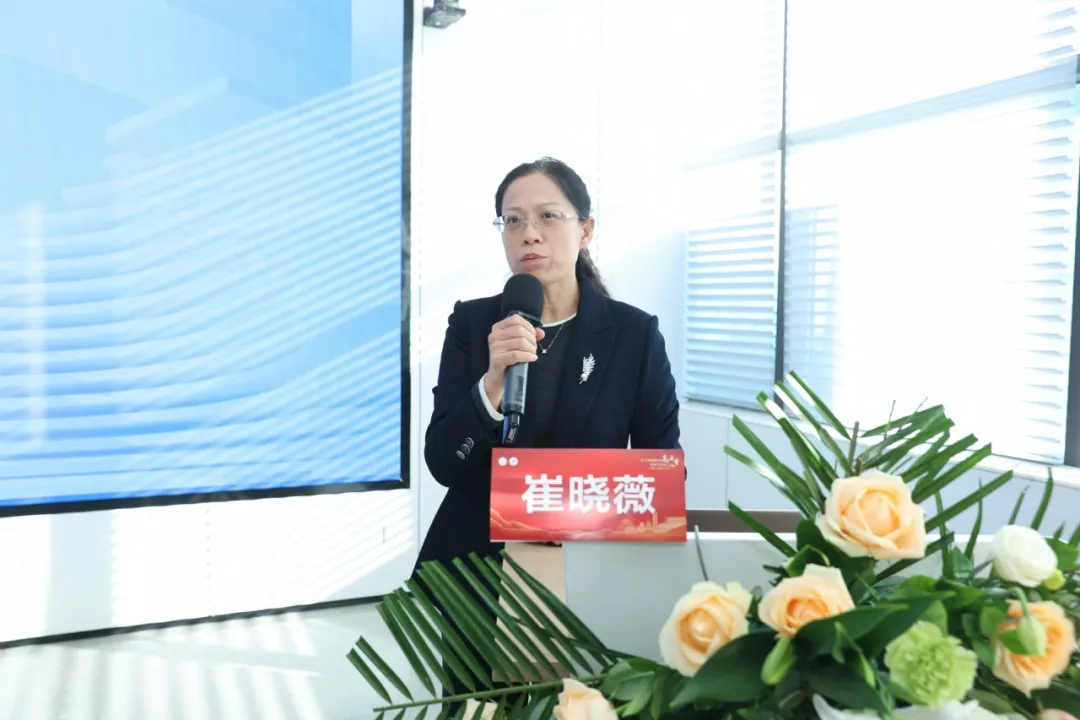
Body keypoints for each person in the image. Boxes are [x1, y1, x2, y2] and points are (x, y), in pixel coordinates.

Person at [413, 157, 682, 703]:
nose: (528, 233)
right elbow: (442, 460)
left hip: (588, 570)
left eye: (547, 216)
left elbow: (661, 475)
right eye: (512, 220)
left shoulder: (633, 334)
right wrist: (492, 383)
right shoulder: (473, 324)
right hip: (477, 574)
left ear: (586, 229)